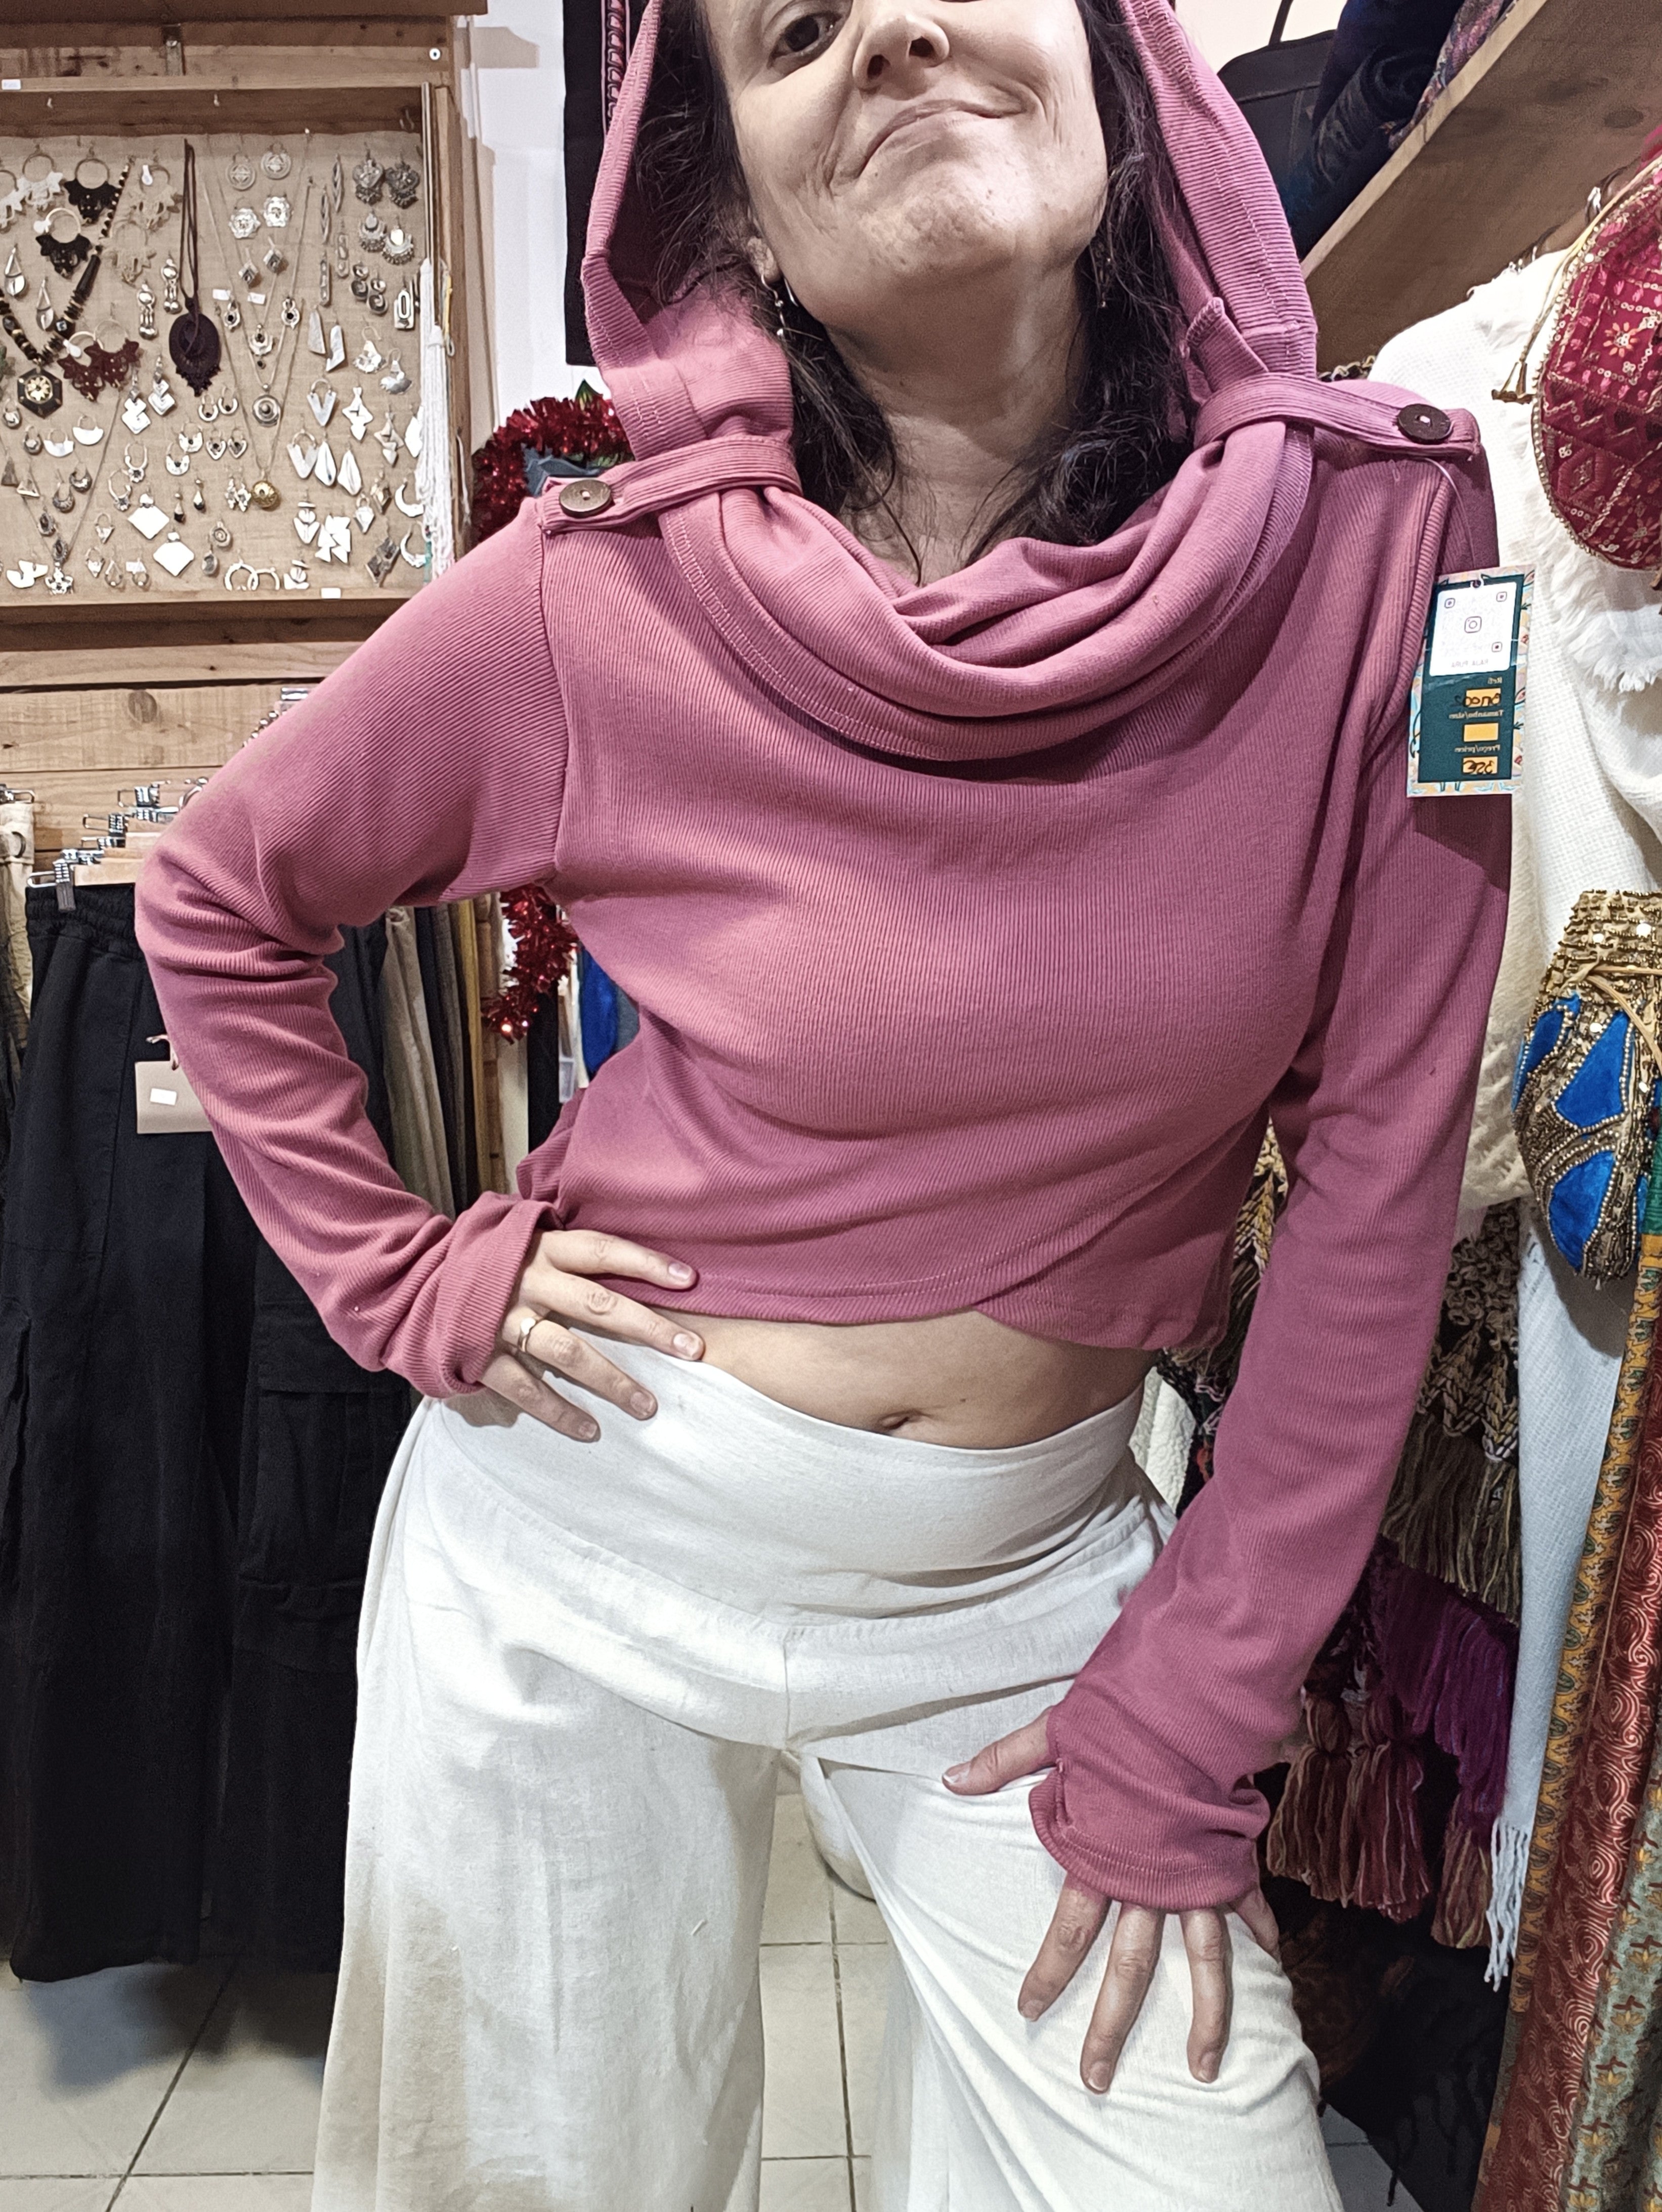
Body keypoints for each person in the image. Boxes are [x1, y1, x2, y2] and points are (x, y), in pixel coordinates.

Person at [135, 1, 1510, 2205]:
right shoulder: (598, 592)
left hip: (1028, 1590)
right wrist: (394, 1275)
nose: (890, 30)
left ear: (1120, 71)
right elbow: (216, 897)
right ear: (740, 218)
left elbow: (1380, 1177)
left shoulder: (1388, 551)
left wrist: (1206, 1703)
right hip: (578, 1543)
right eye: (793, 28)